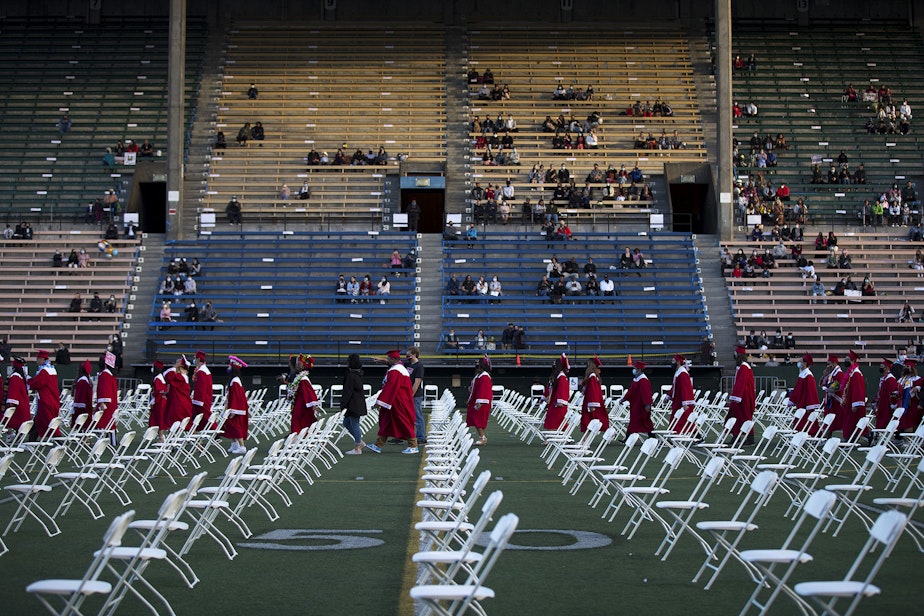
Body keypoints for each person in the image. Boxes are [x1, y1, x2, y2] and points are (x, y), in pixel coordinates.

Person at [367, 350, 418, 454]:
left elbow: (390, 387)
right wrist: (382, 360)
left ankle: (413, 445)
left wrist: (380, 401)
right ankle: (378, 445)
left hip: (398, 401)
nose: (388, 360)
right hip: (396, 400)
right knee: (387, 422)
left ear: (394, 360)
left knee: (404, 422)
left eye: (389, 359)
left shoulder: (396, 371)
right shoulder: (399, 368)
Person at [27, 349, 61, 439]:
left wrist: (28, 380)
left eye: (38, 358)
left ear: (42, 359)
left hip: (46, 399)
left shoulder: (44, 371)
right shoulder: (52, 369)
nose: (37, 360)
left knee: (46, 421)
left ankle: (58, 439)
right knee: (40, 420)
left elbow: (37, 384)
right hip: (52, 398)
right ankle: (32, 440)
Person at [339, 353, 368, 455]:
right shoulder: (358, 374)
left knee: (355, 424)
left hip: (353, 404)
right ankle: (359, 441)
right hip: (358, 403)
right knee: (347, 423)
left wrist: (343, 404)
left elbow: (348, 391)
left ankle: (357, 447)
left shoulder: (351, 376)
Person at [728, 346, 756, 445]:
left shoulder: (744, 367)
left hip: (743, 397)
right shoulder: (742, 367)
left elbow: (741, 383)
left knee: (745, 416)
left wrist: (736, 396)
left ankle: (749, 437)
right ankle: (736, 436)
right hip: (742, 396)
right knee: (737, 416)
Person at [787, 353, 820, 433]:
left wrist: (810, 405)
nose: (799, 363)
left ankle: (814, 436)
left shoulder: (808, 375)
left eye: (800, 361)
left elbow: (810, 392)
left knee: (808, 423)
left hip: (806, 404)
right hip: (801, 403)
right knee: (802, 422)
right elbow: (798, 390)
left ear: (805, 363)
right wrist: (793, 400)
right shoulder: (803, 374)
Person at [223, 356, 250, 454]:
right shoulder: (234, 380)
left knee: (236, 426)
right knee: (230, 426)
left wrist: (233, 410)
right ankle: (235, 444)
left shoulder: (235, 381)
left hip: (236, 408)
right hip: (232, 407)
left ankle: (242, 447)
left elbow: (236, 397)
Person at [842, 350, 870, 444]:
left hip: (854, 403)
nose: (845, 362)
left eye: (847, 360)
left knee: (856, 422)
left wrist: (855, 404)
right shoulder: (851, 372)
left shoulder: (856, 373)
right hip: (851, 401)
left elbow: (857, 390)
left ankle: (868, 436)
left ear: (853, 361)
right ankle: (851, 438)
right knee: (853, 422)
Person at [621, 360, 654, 439]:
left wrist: (647, 404)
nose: (634, 369)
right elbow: (631, 391)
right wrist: (624, 399)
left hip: (641, 405)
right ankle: (628, 438)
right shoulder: (637, 379)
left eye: (635, 368)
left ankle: (652, 437)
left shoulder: (643, 380)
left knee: (645, 421)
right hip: (636, 404)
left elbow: (646, 393)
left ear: (639, 369)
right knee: (636, 422)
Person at [289, 354, 320, 434]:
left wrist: (313, 405)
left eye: (290, 364)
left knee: (299, 423)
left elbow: (309, 393)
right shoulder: (299, 378)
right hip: (299, 404)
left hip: (302, 406)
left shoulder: (303, 379)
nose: (289, 365)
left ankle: (295, 440)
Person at [466, 355, 493, 446]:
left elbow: (483, 391)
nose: (476, 369)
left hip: (482, 402)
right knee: (476, 419)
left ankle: (483, 437)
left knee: (478, 419)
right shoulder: (479, 376)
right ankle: (482, 437)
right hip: (477, 400)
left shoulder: (485, 377)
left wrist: (480, 402)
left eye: (478, 367)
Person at [667, 354, 696, 435]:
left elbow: (685, 388)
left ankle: (696, 436)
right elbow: (674, 386)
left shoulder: (682, 373)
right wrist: (668, 396)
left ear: (678, 362)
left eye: (673, 361)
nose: (672, 363)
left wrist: (685, 402)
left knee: (684, 419)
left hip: (681, 401)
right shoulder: (679, 372)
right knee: (682, 419)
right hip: (678, 400)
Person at [579, 357, 608, 432]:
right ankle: (585, 439)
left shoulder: (592, 376)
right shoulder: (593, 376)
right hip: (592, 400)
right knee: (591, 420)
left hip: (591, 400)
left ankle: (585, 440)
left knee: (588, 420)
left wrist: (592, 404)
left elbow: (593, 390)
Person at [820, 353, 846, 436]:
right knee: (829, 418)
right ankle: (827, 433)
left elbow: (840, 386)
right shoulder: (831, 374)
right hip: (830, 399)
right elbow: (822, 384)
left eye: (829, 364)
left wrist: (832, 390)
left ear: (834, 363)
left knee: (837, 419)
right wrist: (824, 376)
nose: (828, 366)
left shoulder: (839, 373)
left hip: (836, 400)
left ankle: (832, 433)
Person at [164, 356, 193, 430]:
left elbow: (167, 375)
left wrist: (175, 366)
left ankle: (171, 439)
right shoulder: (183, 377)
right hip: (181, 402)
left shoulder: (181, 377)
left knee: (175, 422)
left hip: (179, 403)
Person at [96, 352, 119, 442]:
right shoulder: (111, 375)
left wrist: (102, 402)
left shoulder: (105, 375)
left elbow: (104, 389)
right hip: (111, 402)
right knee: (110, 423)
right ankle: (112, 441)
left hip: (106, 404)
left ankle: (101, 441)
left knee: (103, 422)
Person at [543, 354, 570, 430]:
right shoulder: (558, 376)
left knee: (556, 420)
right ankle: (550, 438)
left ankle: (561, 438)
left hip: (559, 403)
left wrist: (560, 401)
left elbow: (562, 390)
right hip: (554, 401)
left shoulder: (561, 377)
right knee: (551, 418)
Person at [406, 346, 426, 445]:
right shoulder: (409, 365)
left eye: (409, 353)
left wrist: (411, 394)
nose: (407, 355)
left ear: (414, 354)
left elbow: (417, 382)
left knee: (417, 415)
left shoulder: (419, 366)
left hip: (415, 395)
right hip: (410, 394)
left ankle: (421, 437)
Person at [5, 356, 31, 432]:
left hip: (18, 405)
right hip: (23, 403)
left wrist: (11, 404)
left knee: (15, 422)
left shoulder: (15, 377)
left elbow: (13, 391)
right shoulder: (21, 377)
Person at [873, 358, 900, 430]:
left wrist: (893, 404)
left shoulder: (890, 379)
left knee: (884, 423)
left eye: (882, 367)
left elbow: (894, 393)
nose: (880, 368)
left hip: (887, 405)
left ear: (887, 368)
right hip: (882, 404)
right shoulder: (884, 378)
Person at [191, 350, 214, 431]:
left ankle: (216, 433)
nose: (194, 360)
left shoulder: (201, 372)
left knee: (204, 418)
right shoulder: (204, 370)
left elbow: (201, 387)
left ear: (198, 359)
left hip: (202, 400)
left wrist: (198, 400)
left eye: (195, 358)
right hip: (205, 398)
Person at [70, 360, 93, 429]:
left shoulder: (82, 381)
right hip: (86, 405)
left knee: (81, 424)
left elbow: (80, 396)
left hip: (81, 407)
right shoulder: (86, 380)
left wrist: (76, 406)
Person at [150, 360, 168, 434]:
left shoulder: (157, 378)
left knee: (158, 419)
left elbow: (158, 391)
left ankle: (160, 436)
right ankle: (161, 435)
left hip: (159, 401)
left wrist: (153, 397)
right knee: (161, 418)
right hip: (162, 400)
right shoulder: (161, 377)